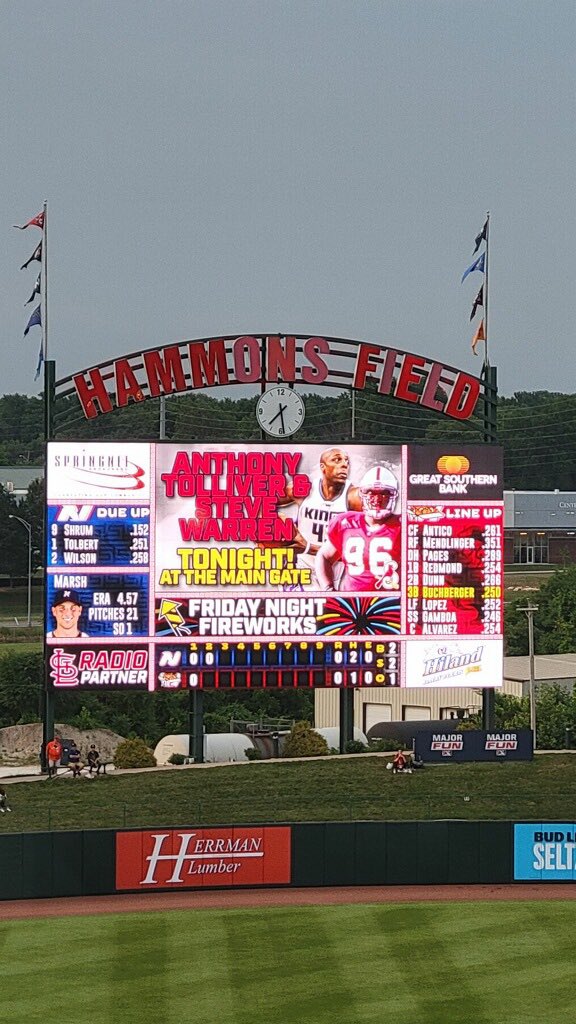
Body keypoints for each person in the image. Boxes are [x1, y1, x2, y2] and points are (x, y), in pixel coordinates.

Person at [277, 448, 362, 587]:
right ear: (323, 467)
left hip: (334, 571)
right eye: (336, 460)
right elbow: (263, 502)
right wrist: (266, 531)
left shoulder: (355, 498)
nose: (344, 464)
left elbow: (365, 546)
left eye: (346, 461)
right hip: (301, 567)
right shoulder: (303, 489)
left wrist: (308, 547)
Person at [315, 465, 401, 592]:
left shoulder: (404, 525)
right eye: (371, 493)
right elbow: (324, 556)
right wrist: (328, 589)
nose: (377, 499)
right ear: (362, 494)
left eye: (384, 493)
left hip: (389, 605)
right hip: (351, 605)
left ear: (393, 495)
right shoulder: (345, 522)